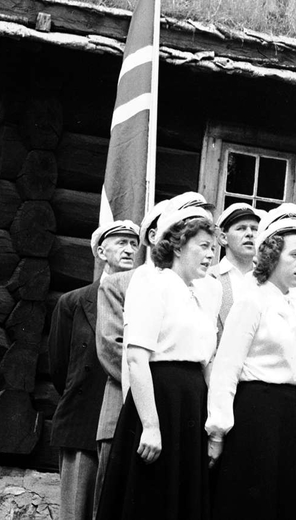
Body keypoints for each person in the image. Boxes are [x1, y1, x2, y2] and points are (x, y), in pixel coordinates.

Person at [96, 202, 220, 520]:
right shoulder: (152, 282)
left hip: (190, 406)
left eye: (213, 247)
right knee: (151, 499)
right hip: (159, 401)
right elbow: (136, 358)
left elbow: (206, 361)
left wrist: (211, 423)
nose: (210, 254)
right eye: (203, 246)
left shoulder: (201, 293)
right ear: (178, 244)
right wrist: (151, 426)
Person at [206, 210, 296, 520]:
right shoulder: (251, 302)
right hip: (254, 417)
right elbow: (226, 369)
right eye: (294, 255)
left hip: (289, 419)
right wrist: (217, 433)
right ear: (272, 254)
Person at [50, 220, 138, 520]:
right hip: (83, 419)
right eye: (121, 242)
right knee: (77, 511)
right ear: (101, 251)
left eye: (134, 243)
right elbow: (59, 367)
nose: (129, 249)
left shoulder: (144, 299)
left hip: (125, 416)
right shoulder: (72, 303)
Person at [209, 203, 261, 328]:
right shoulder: (208, 277)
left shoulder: (267, 280)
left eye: (254, 229)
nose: (250, 234)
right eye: (241, 228)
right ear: (223, 238)